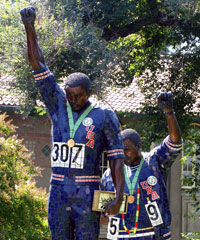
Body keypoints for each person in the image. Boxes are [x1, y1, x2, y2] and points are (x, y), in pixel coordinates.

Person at [20, 6, 125, 240]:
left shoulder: (104, 115)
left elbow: (116, 159)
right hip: (58, 187)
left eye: (79, 95)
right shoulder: (57, 102)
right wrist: (29, 26)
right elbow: (38, 63)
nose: (74, 99)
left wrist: (118, 196)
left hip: (87, 189)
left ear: (88, 93)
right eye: (70, 94)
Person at [101, 92, 182, 239]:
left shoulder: (154, 161)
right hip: (120, 236)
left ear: (139, 146)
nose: (123, 153)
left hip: (153, 234)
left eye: (127, 149)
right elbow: (103, 215)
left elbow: (174, 143)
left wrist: (169, 112)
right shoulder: (109, 174)